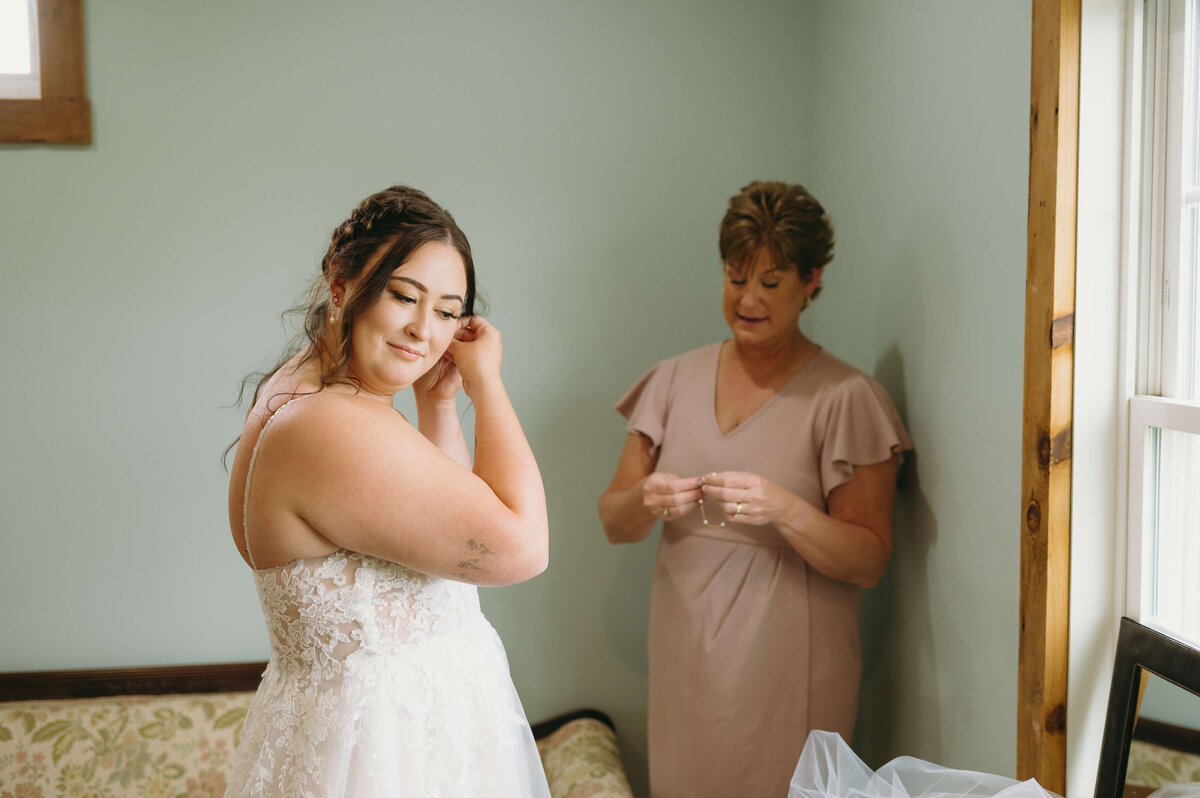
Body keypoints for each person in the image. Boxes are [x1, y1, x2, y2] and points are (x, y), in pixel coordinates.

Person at [224, 185, 551, 797]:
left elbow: (449, 537)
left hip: (393, 738)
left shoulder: (304, 390)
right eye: (404, 296)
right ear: (341, 281)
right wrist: (489, 384)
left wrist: (441, 405)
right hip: (383, 757)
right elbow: (523, 548)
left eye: (449, 312)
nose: (424, 331)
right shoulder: (331, 424)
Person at [597, 180, 913, 798]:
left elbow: (870, 558)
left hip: (790, 666)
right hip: (685, 655)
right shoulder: (671, 381)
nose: (748, 299)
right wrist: (647, 500)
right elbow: (614, 522)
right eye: (736, 278)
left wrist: (785, 509)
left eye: (770, 283)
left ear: (811, 281)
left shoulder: (845, 398)